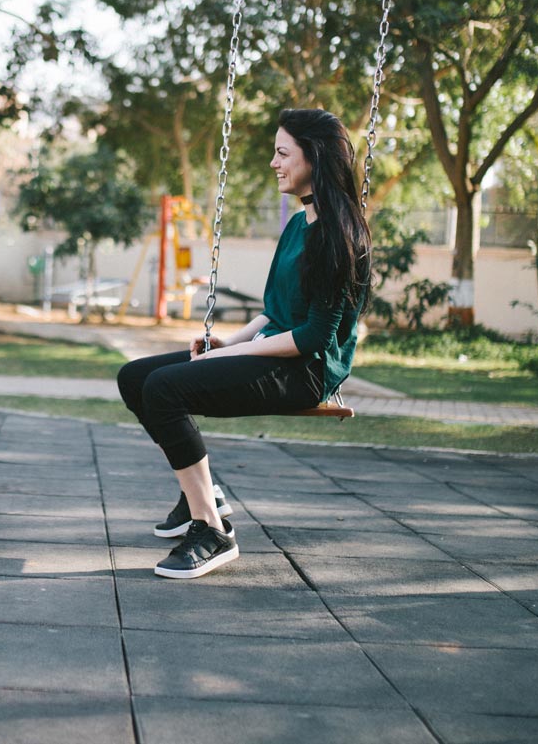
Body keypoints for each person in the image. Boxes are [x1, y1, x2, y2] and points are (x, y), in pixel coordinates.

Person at [117, 108, 371, 579]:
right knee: (135, 378)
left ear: (313, 157)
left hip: (307, 369)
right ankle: (203, 492)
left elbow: (314, 336)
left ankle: (211, 530)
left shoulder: (339, 235)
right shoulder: (299, 225)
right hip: (276, 347)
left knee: (165, 390)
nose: (274, 163)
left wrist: (235, 353)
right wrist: (226, 340)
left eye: (282, 153)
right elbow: (275, 310)